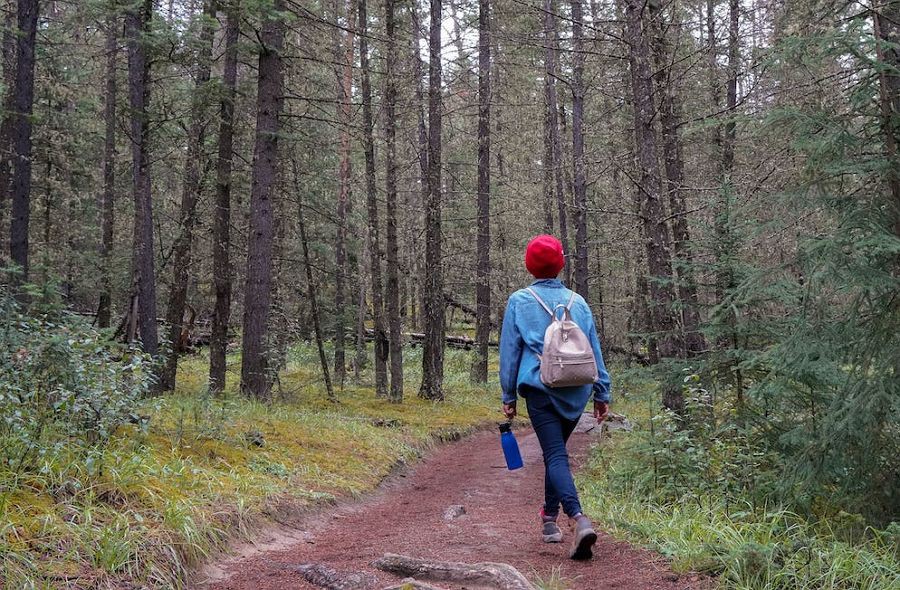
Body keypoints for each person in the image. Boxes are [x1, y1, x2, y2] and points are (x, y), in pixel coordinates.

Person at [499, 234, 612, 560]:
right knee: (556, 451)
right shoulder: (578, 302)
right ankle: (549, 519)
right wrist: (602, 392)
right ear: (561, 264)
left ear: (529, 265)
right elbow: (595, 351)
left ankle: (577, 518)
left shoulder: (520, 301)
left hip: (541, 389)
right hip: (576, 389)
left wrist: (508, 394)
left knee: (555, 455)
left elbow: (510, 352)